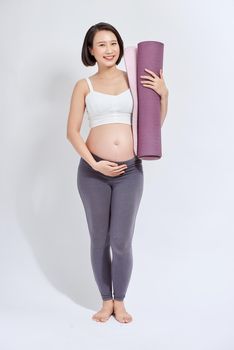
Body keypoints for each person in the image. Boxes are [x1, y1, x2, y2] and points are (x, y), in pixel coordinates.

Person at [66, 22, 169, 324]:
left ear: (120, 47)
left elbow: (151, 126)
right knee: (99, 239)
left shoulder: (133, 79)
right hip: (92, 172)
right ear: (91, 50)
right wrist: (94, 162)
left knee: (121, 241)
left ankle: (120, 300)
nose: (109, 49)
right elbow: (72, 132)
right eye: (102, 44)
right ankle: (105, 301)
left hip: (129, 172)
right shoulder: (83, 85)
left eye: (113, 43)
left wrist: (164, 95)